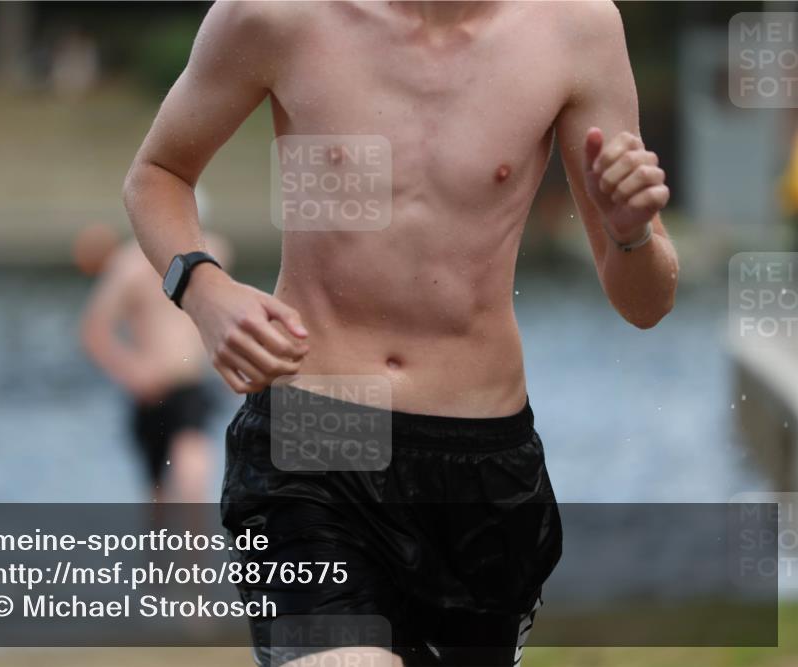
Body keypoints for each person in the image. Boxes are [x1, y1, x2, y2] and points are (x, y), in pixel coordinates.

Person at [123, 2, 678, 666]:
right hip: (319, 427)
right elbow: (157, 173)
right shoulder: (278, 15)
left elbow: (645, 304)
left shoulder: (575, 27)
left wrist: (630, 233)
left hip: (481, 460)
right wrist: (203, 288)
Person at [81, 227, 231, 504]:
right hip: (147, 391)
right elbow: (94, 331)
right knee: (156, 495)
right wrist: (131, 372)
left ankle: (196, 534)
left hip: (190, 385)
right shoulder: (129, 266)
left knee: (192, 477)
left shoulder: (211, 252)